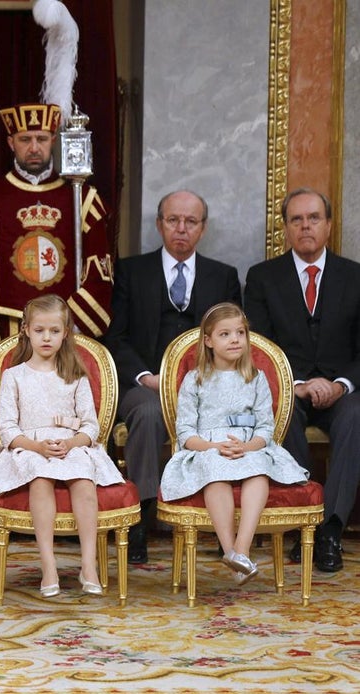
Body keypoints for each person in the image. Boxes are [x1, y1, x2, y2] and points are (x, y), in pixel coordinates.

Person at [0, 102, 113, 545]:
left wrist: (74, 326)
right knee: (7, 419)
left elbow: (99, 270)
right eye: (24, 139)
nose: (33, 147)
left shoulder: (83, 198)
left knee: (67, 421)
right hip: (7, 329)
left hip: (67, 331)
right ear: (11, 143)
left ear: (55, 142)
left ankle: (66, 513)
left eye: (42, 139)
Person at [103, 190, 241, 563]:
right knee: (147, 414)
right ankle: (140, 518)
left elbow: (234, 338)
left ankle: (224, 527)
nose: (181, 228)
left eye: (190, 222)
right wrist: (148, 377)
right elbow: (115, 337)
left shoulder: (224, 276)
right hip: (146, 385)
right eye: (173, 220)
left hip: (206, 387)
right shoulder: (131, 271)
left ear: (203, 228)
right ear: (159, 224)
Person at [244, 188, 360, 573]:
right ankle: (302, 520)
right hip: (288, 387)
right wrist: (294, 384)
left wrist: (340, 384)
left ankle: (330, 530)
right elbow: (256, 348)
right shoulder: (262, 278)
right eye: (296, 219)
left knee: (357, 416)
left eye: (313, 218)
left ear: (328, 225)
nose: (305, 226)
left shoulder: (355, 276)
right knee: (282, 410)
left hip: (342, 392)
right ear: (286, 228)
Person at [0, 294, 124, 597]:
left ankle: (88, 565)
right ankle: (49, 566)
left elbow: (90, 426)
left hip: (70, 446)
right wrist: (36, 446)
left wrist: (71, 442)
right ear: (26, 331)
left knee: (84, 478)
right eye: (40, 330)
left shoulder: (75, 376)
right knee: (39, 477)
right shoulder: (13, 376)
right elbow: (7, 428)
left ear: (65, 334)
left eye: (54, 331)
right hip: (29, 448)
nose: (47, 337)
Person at [160, 303, 308, 584]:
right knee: (215, 472)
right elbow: (186, 434)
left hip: (248, 447)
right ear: (209, 341)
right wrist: (213, 447)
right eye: (225, 334)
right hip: (207, 448)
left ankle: (241, 550)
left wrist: (248, 447)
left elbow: (266, 428)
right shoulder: (195, 380)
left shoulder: (255, 378)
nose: (235, 339)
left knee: (259, 470)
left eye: (240, 332)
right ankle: (230, 550)